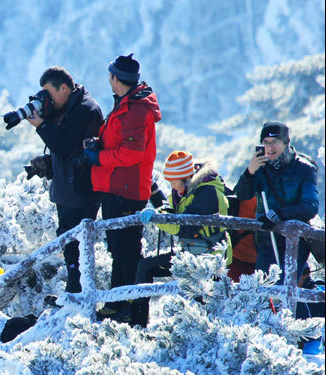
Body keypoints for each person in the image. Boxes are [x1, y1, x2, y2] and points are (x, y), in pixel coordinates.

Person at [80, 53, 161, 318]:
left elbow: (132, 153)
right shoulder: (128, 104)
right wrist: (100, 145)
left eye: (110, 75)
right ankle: (122, 305)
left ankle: (124, 307)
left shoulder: (135, 109)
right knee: (121, 248)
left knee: (125, 250)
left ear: (116, 78)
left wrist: (99, 156)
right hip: (120, 188)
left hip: (125, 191)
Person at [23, 66, 104, 293]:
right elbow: (62, 151)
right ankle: (74, 288)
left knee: (78, 246)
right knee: (69, 244)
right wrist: (48, 165)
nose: (46, 99)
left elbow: (69, 148)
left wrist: (42, 125)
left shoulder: (86, 110)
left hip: (79, 193)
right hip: (67, 189)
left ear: (64, 88)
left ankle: (79, 292)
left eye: (49, 93)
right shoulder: (66, 107)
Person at [130, 152, 230, 327]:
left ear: (185, 177)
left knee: (203, 300)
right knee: (145, 267)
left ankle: (207, 333)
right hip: (189, 252)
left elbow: (184, 227)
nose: (172, 187)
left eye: (174, 182)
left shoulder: (208, 192)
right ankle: (138, 324)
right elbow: (173, 212)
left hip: (210, 257)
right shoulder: (183, 191)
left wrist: (158, 218)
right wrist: (160, 212)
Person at [233, 121, 318, 285]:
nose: (270, 147)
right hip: (267, 242)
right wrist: (250, 172)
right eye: (266, 142)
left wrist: (278, 214)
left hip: (295, 241)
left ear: (286, 143)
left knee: (286, 290)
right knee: (263, 291)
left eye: (275, 142)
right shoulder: (260, 168)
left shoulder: (304, 169)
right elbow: (242, 195)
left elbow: (310, 206)